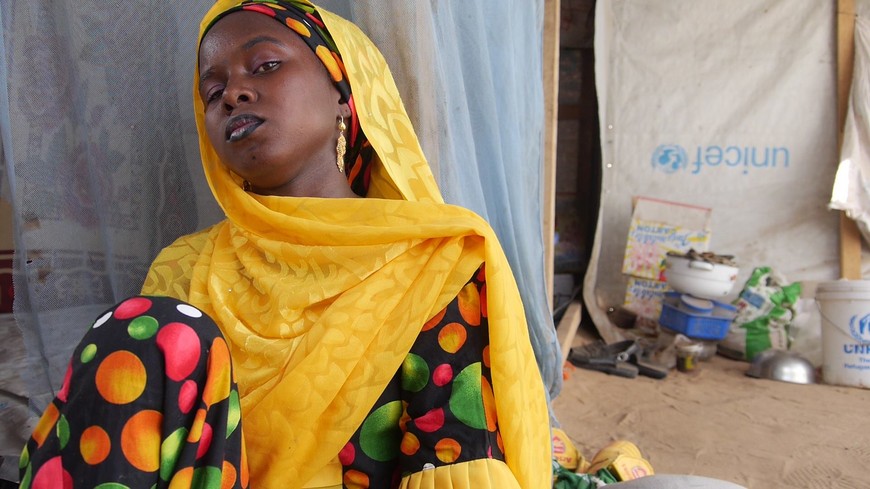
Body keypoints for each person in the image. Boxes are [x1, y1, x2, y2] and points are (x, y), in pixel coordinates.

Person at [17, 1, 552, 488]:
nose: (233, 93)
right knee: (142, 330)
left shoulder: (434, 261)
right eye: (212, 90)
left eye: (266, 65)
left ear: (343, 94)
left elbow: (449, 456)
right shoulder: (187, 267)